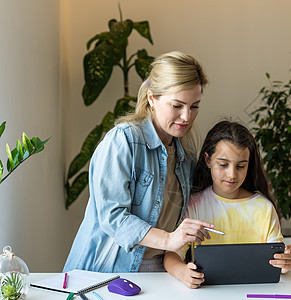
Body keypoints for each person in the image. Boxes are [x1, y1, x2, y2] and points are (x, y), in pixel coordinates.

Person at [63, 51, 216, 273]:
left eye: (194, 106)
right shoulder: (123, 141)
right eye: (177, 105)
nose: (186, 117)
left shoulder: (186, 155)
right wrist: (168, 240)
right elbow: (112, 216)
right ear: (152, 99)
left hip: (160, 271)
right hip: (107, 270)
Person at [163, 120, 291, 288]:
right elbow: (171, 255)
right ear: (208, 160)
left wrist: (285, 263)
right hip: (207, 292)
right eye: (223, 164)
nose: (232, 174)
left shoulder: (263, 207)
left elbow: (277, 259)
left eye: (240, 166)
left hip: (255, 292)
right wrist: (182, 272)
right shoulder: (194, 205)